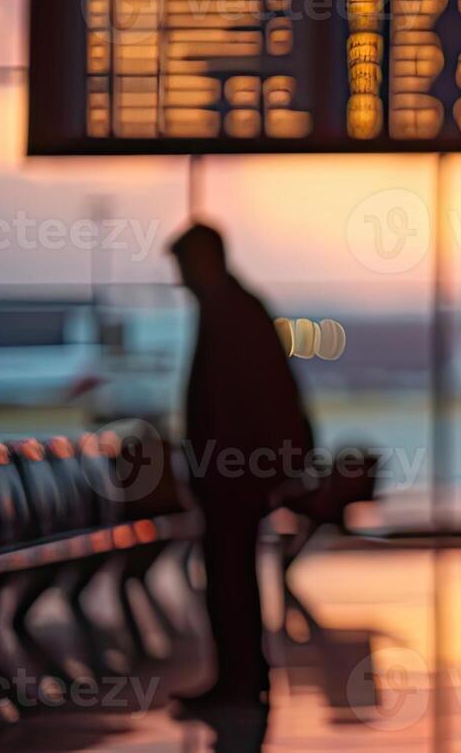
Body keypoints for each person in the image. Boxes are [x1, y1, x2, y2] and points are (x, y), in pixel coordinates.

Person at [169, 223, 315, 714]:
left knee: (229, 576)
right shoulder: (240, 308)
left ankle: (237, 678)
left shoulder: (228, 314)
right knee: (235, 576)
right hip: (239, 470)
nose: (181, 280)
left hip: (232, 474)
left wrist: (215, 465)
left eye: (184, 267)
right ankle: (241, 675)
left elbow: (231, 404)